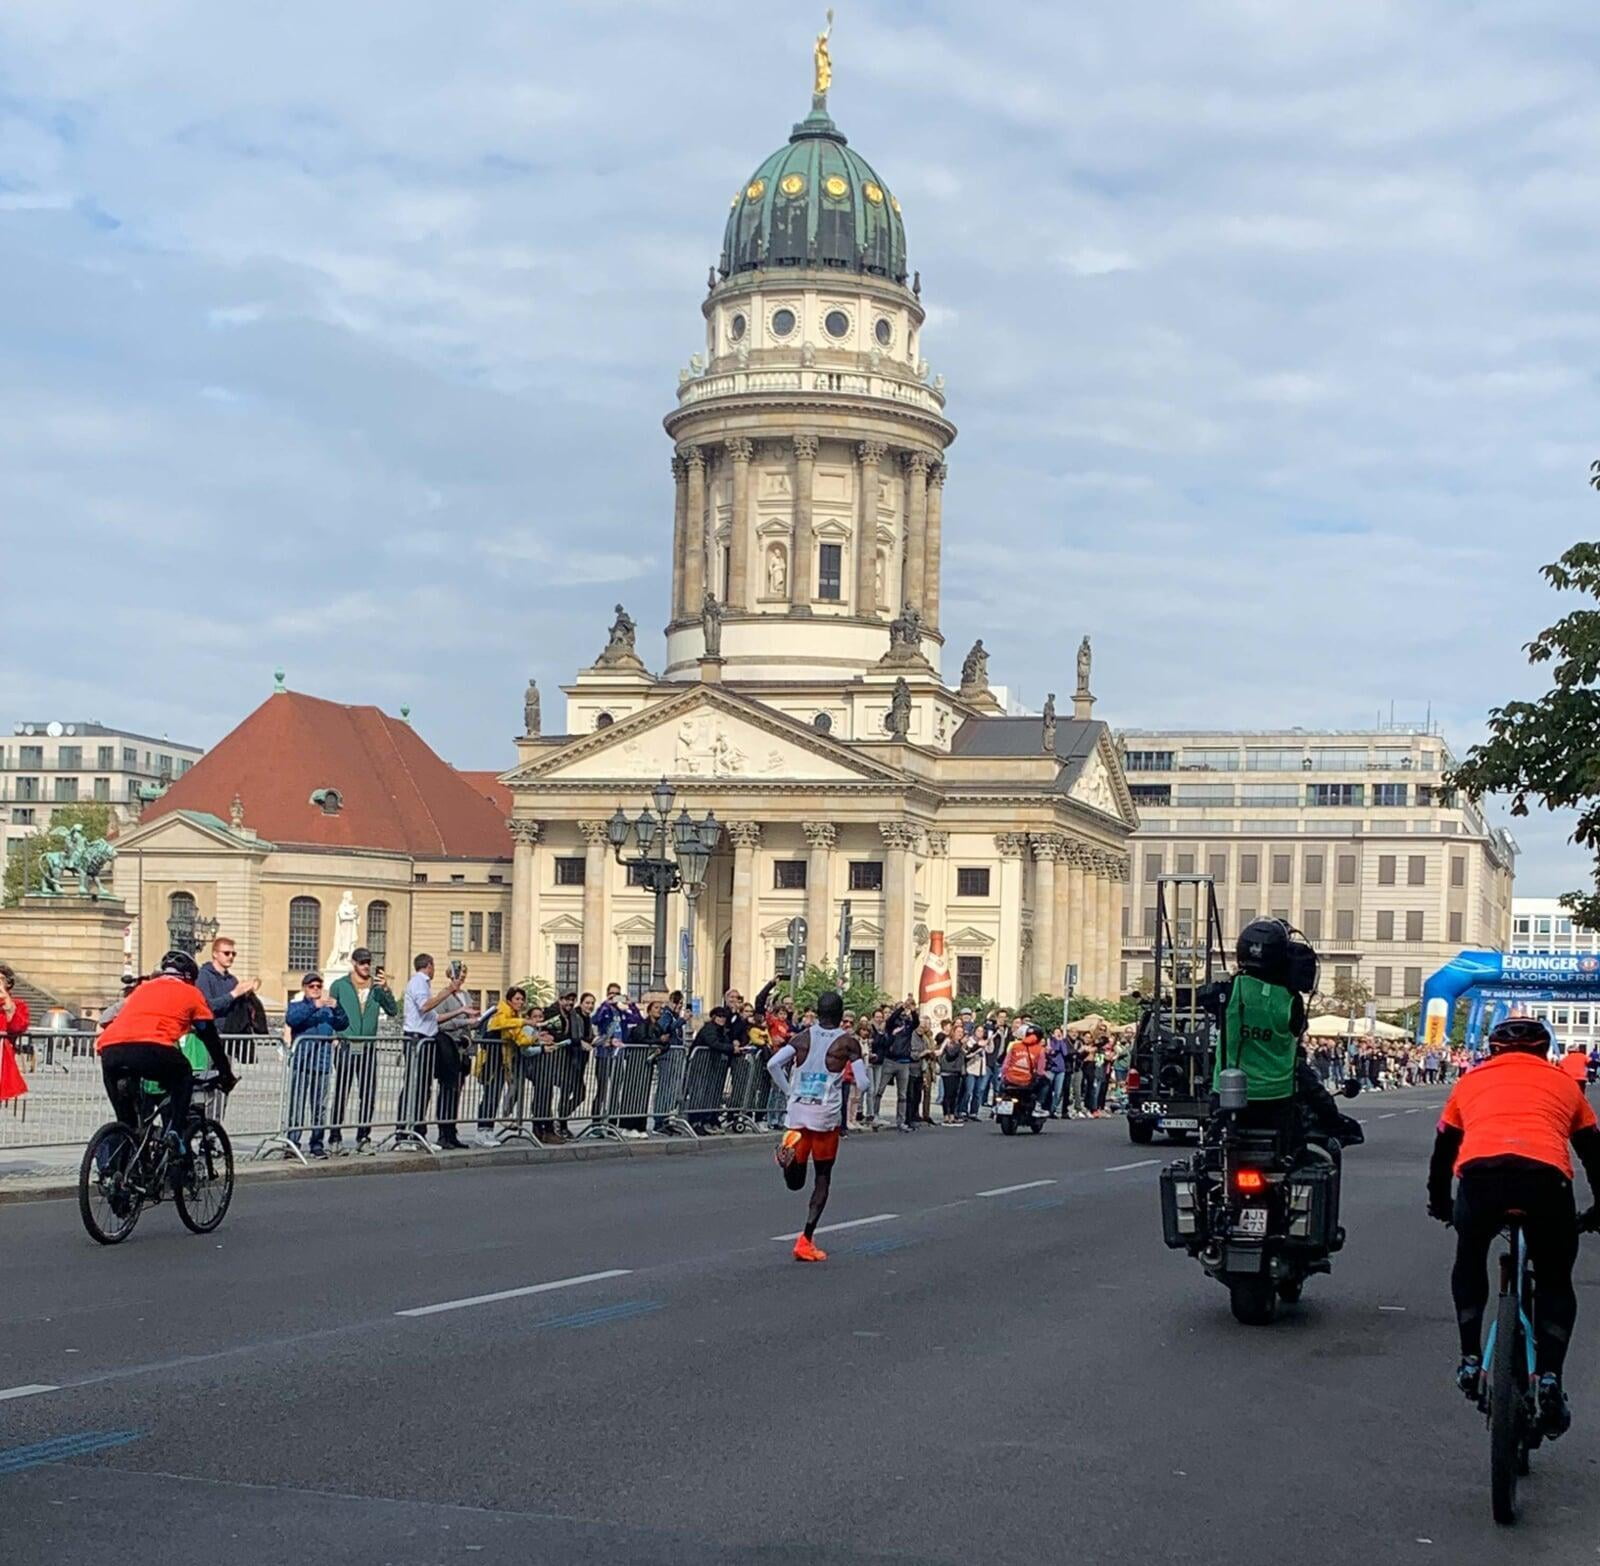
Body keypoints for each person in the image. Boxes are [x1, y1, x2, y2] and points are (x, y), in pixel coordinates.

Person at [1428, 1016, 1600, 1438]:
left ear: (1493, 1051)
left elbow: (1443, 1149)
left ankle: (1470, 1360)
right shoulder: (1564, 1083)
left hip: (1481, 1180)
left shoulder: (1469, 1081)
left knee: (1470, 1258)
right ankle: (1550, 1376)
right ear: (1545, 1050)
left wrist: (1441, 1203)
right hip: (1545, 1182)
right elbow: (1594, 1154)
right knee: (1555, 1279)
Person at [767, 989, 871, 1263]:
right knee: (822, 1177)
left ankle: (787, 1160)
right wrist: (861, 1083)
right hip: (825, 1116)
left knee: (795, 1183)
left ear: (818, 1012)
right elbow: (862, 1082)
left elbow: (773, 1064)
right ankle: (806, 1240)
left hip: (798, 1111)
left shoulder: (801, 1037)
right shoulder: (848, 1043)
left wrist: (789, 1091)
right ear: (840, 1015)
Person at [95, 951, 236, 1151]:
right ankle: (175, 1133)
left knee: (128, 1125)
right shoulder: (192, 993)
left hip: (111, 1051)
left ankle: (123, 1163)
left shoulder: (143, 989)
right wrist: (225, 1074)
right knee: (184, 1073)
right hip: (152, 1048)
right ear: (190, 978)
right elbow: (209, 1036)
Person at [327, 948, 397, 1154]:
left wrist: (386, 990)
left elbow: (393, 1010)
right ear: (353, 963)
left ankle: (363, 1137)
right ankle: (334, 1137)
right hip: (346, 1045)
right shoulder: (340, 985)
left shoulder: (376, 988)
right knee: (341, 1093)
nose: (366, 966)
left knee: (368, 1094)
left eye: (368, 962)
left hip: (368, 1047)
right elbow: (330, 1012)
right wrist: (334, 1037)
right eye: (362, 962)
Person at [285, 974, 349, 1159]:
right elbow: (292, 1019)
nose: (315, 989)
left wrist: (338, 1007)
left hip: (322, 1064)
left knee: (320, 1107)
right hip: (302, 1063)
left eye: (318, 986)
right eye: (311, 986)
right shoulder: (297, 1005)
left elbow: (343, 1024)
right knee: (297, 1106)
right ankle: (292, 1144)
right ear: (304, 988)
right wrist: (313, 1006)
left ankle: (317, 1144)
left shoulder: (328, 1010)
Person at [399, 954, 459, 1149]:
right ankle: (405, 1133)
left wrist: (461, 1011)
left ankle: (417, 1132)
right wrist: (448, 991)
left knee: (423, 1088)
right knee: (415, 1087)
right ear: (429, 966)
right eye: (433, 966)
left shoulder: (424, 984)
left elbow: (435, 1017)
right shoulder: (419, 982)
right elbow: (425, 1006)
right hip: (417, 1040)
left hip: (425, 1039)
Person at [431, 962, 479, 1150]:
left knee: (457, 1091)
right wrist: (463, 1022)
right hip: (449, 1046)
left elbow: (469, 1021)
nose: (461, 979)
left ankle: (452, 1131)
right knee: (447, 1090)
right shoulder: (444, 996)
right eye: (458, 976)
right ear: (450, 976)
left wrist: (476, 1021)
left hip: (463, 1049)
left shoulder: (466, 996)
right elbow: (440, 1023)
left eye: (463, 976)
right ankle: (443, 1132)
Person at [195, 936, 262, 1036]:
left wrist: (247, 992)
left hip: (232, 1034)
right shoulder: (203, 976)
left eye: (233, 954)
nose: (231, 957)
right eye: (226, 953)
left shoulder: (232, 979)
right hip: (212, 1035)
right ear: (215, 954)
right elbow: (206, 1006)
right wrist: (234, 994)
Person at [0, 963, 31, 1078]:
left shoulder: (18, 1005)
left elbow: (17, 1027)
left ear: (8, 983)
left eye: (1, 979)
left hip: (4, 1059)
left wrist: (6, 999)